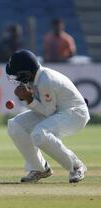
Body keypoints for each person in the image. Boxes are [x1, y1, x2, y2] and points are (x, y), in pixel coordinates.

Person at [6, 49, 89, 183]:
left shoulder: (45, 81)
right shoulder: (34, 78)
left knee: (39, 134)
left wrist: (28, 99)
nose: (16, 78)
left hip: (75, 114)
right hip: (57, 110)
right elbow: (47, 111)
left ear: (27, 72)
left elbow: (48, 113)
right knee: (15, 125)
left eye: (17, 75)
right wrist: (29, 99)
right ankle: (39, 168)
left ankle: (76, 166)